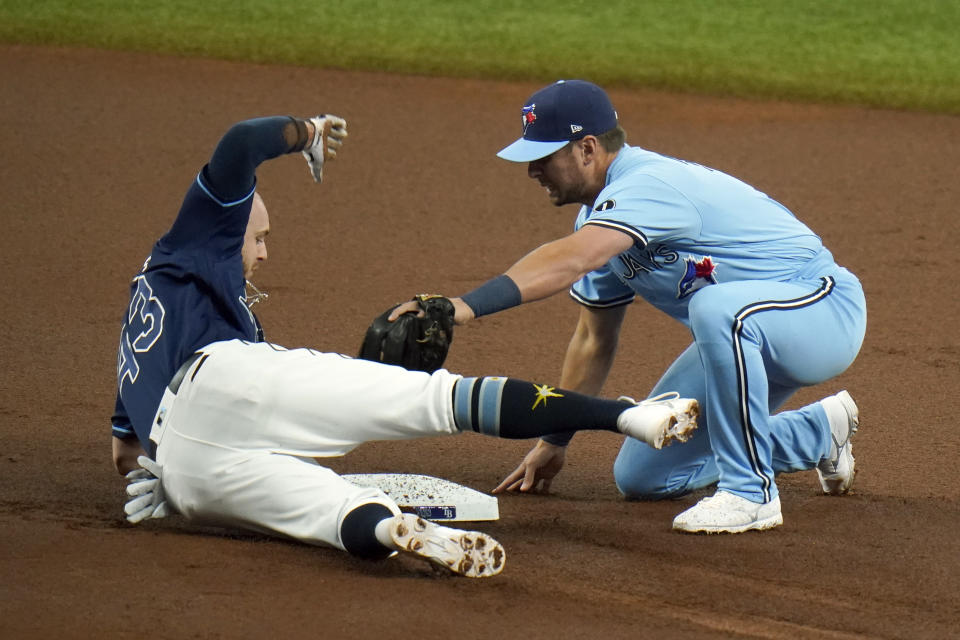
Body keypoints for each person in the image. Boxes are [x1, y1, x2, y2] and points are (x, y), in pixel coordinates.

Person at [111, 113, 701, 579]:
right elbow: (242, 140)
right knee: (440, 400)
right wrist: (308, 132)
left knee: (329, 509)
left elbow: (124, 454)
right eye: (258, 238)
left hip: (183, 475)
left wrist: (164, 471)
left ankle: (396, 534)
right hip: (221, 376)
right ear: (224, 226)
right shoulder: (199, 238)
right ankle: (629, 415)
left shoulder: (150, 304)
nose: (263, 253)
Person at [391, 80, 866, 534]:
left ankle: (751, 494)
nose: (532, 170)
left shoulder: (648, 185)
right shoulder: (601, 220)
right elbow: (593, 340)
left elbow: (572, 258)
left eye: (543, 156)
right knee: (644, 476)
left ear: (588, 148)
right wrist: (554, 438)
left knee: (714, 308)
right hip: (742, 340)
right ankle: (817, 432)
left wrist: (463, 307)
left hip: (821, 313)